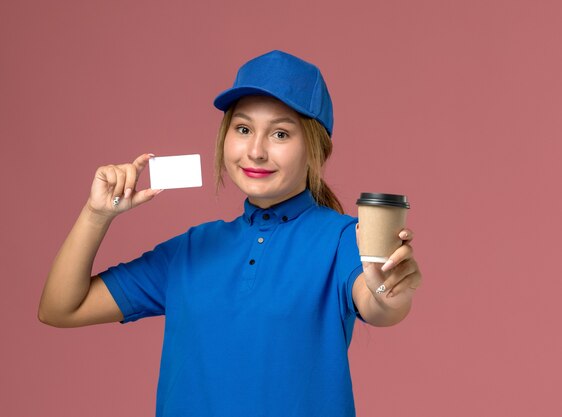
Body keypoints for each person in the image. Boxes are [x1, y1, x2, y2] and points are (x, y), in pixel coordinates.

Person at [38, 50, 422, 417]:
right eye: (242, 128)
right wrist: (96, 214)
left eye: (281, 135)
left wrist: (389, 289)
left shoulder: (342, 239)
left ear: (316, 149)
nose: (255, 151)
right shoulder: (191, 250)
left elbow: (380, 304)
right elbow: (61, 307)